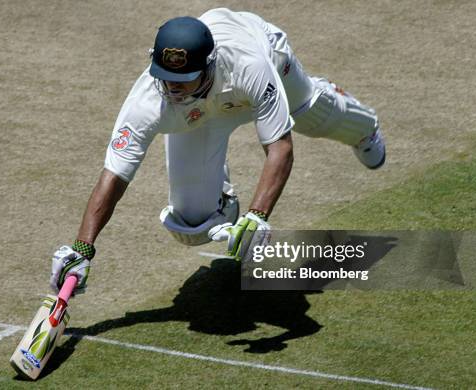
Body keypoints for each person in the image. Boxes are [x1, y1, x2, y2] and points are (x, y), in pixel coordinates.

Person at [49, 8, 386, 294]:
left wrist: (258, 217)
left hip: (265, 64)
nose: (172, 88)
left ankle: (363, 126)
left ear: (208, 66)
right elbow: (114, 174)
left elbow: (280, 148)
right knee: (191, 223)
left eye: (183, 78)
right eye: (165, 77)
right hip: (200, 115)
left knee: (307, 115)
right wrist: (83, 248)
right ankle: (224, 203)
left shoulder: (250, 66)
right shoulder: (147, 103)